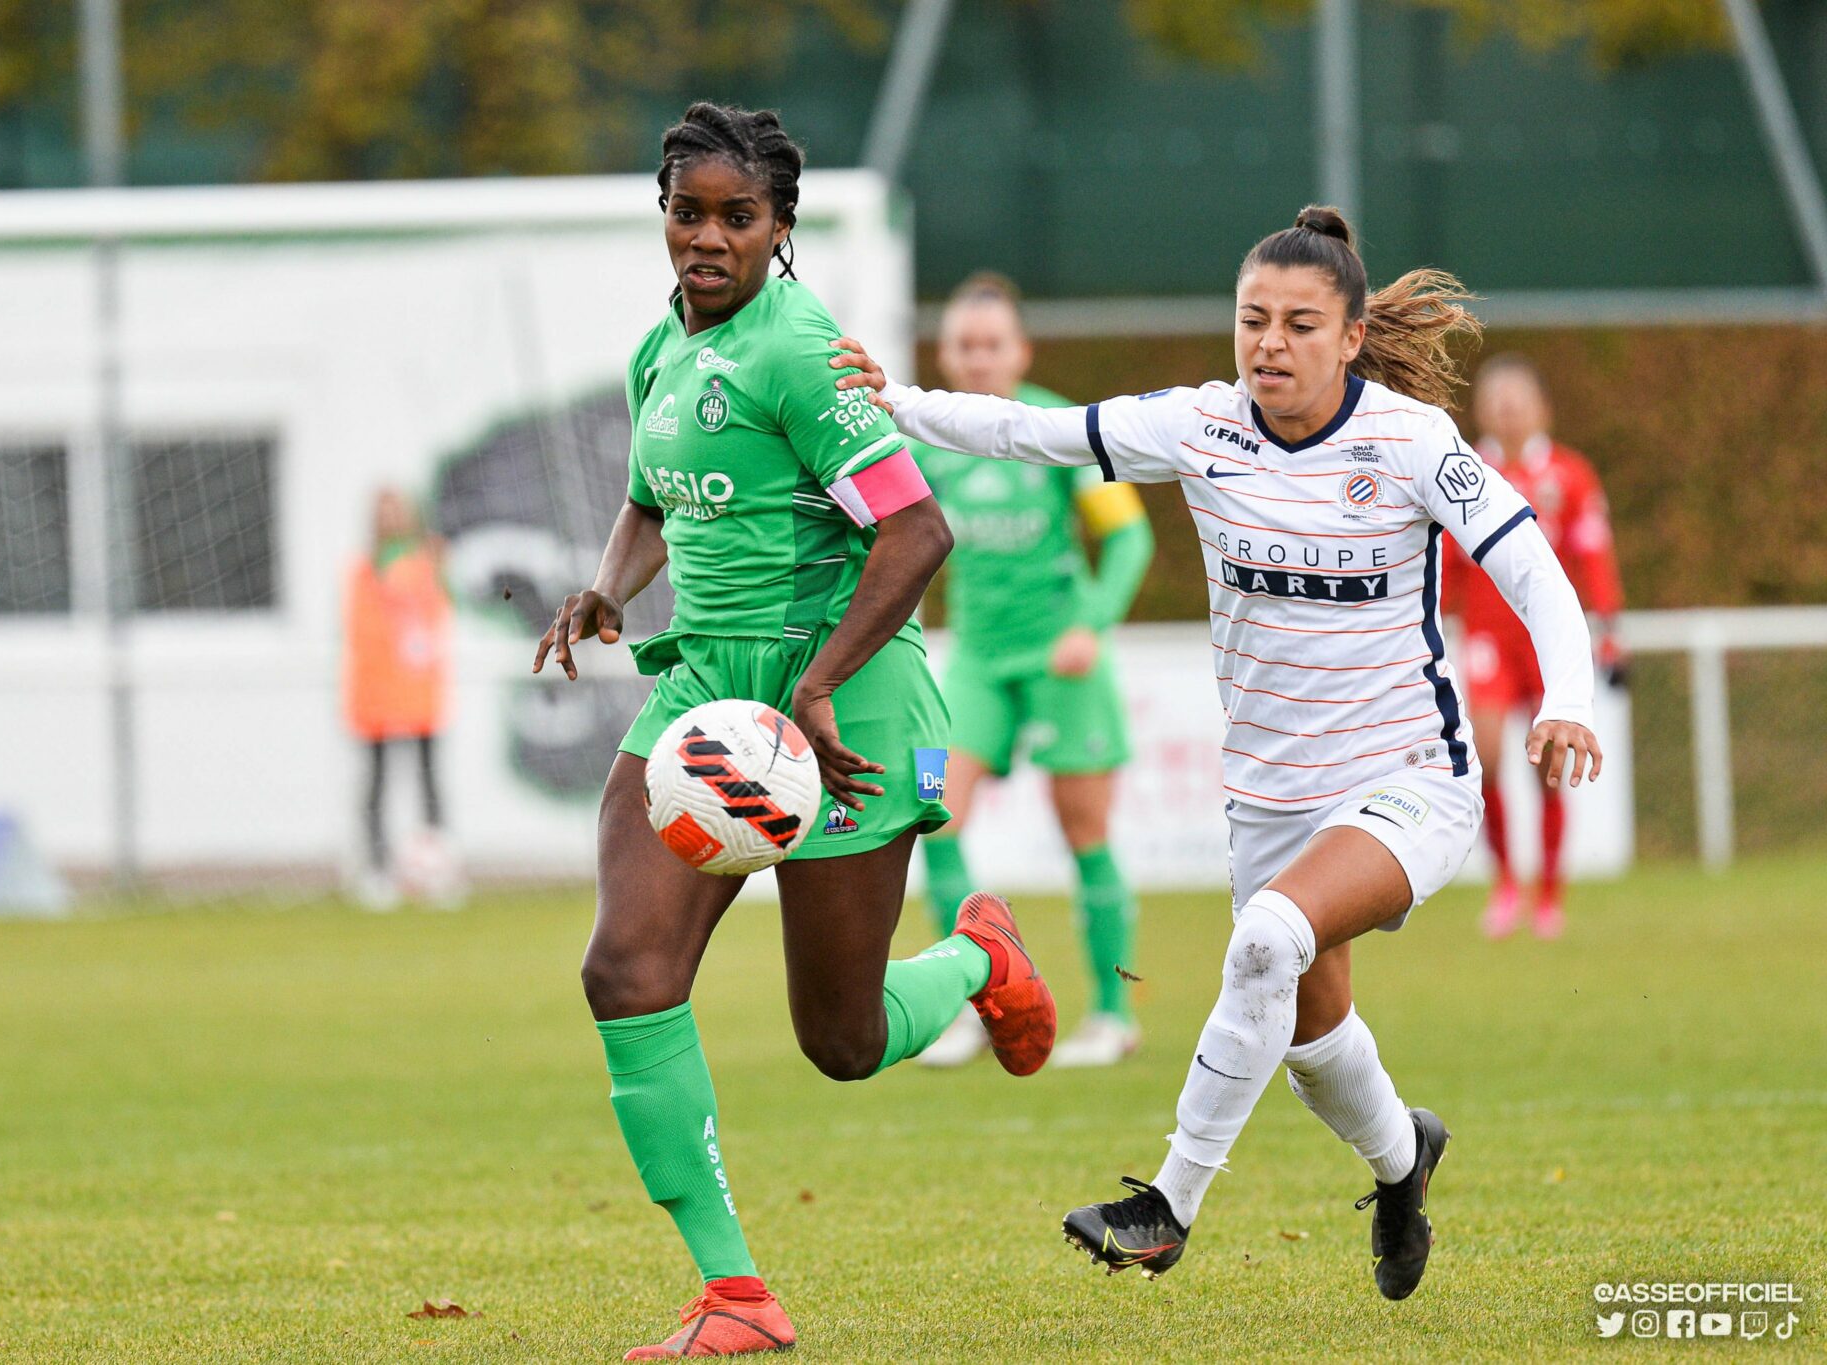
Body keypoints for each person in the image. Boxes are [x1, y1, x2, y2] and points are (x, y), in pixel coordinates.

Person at [829, 205, 1602, 1300]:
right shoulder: (1197, 425)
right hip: (1269, 800)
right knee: (1309, 1032)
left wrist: (1565, 696)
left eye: (1297, 324)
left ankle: (1167, 1205)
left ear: (1347, 338)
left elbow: (1532, 573)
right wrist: (891, 403)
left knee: (1261, 944)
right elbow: (1027, 433)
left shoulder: (1411, 442)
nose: (1269, 343)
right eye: (1252, 321)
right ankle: (1400, 1161)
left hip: (1406, 781)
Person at [531, 102, 1057, 1361]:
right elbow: (653, 500)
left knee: (842, 1040)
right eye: (686, 211)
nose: (705, 237)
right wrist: (612, 584)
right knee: (624, 971)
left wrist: (817, 686)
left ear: (780, 229)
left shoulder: (803, 354)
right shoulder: (659, 351)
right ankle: (736, 1297)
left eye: (735, 217)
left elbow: (914, 533)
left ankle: (979, 959)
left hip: (846, 704)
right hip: (700, 697)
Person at [911, 272, 1156, 1070]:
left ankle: (1114, 1013)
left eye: (993, 344)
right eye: (965, 345)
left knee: (1084, 830)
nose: (978, 358)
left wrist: (1091, 624)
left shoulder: (1059, 430)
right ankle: (972, 1007)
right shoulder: (928, 442)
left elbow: (1129, 539)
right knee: (932, 816)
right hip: (975, 663)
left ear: (1020, 350)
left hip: (1061, 660)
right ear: (946, 352)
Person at [1443, 354, 1624, 939]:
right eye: (1495, 396)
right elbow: (1444, 566)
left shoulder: (1569, 476)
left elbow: (1592, 555)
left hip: (1549, 645)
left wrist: (1610, 632)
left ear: (1542, 406)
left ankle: (1549, 895)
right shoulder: (1461, 474)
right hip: (1488, 637)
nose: (1506, 406)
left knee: (1550, 766)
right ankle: (1505, 885)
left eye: (1517, 395)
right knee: (1490, 757)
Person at [343, 488, 452, 907]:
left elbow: (441, 610)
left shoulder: (428, 562)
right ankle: (375, 867)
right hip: (376, 693)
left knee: (429, 780)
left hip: (419, 693)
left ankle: (437, 866)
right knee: (376, 782)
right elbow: (363, 630)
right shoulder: (365, 570)